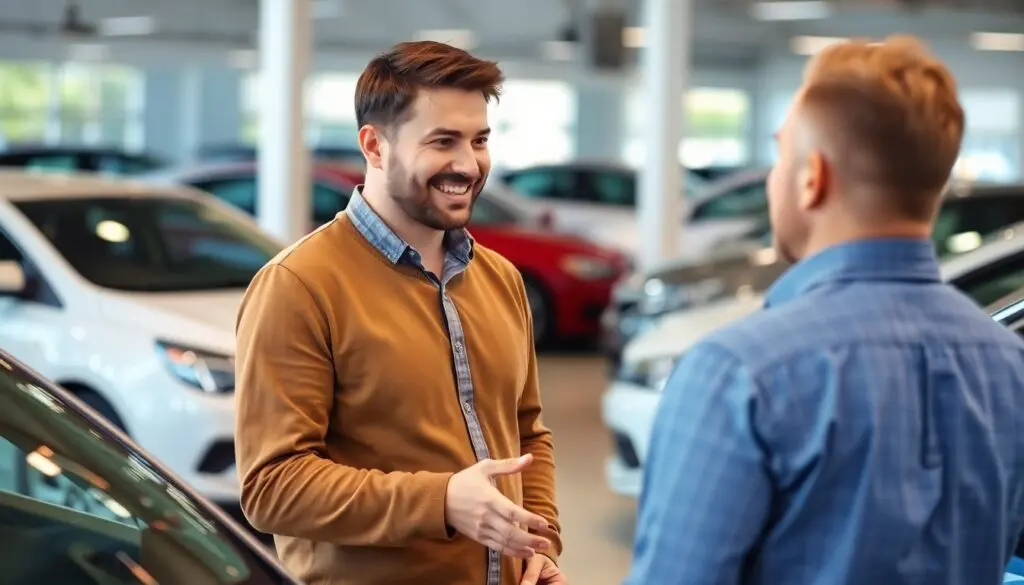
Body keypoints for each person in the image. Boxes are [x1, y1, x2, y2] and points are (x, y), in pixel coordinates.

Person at [624, 36, 1024, 585]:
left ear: (813, 177)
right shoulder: (1010, 364)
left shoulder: (739, 375)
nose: (773, 178)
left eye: (780, 154)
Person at [234, 40, 566, 585]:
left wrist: (540, 539)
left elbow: (528, 434)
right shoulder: (299, 286)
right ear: (375, 146)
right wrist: (441, 501)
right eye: (443, 141)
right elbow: (274, 487)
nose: (468, 164)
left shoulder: (501, 279)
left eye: (479, 140)